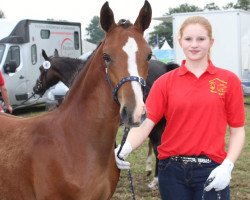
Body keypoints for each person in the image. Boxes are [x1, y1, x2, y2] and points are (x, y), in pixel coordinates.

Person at [115, 16, 245, 200]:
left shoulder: (228, 81)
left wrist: (228, 166)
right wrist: (125, 147)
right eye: (188, 39)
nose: (194, 45)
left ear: (211, 42)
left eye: (201, 39)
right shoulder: (164, 83)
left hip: (212, 169)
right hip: (171, 171)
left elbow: (238, 130)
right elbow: (147, 123)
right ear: (180, 42)